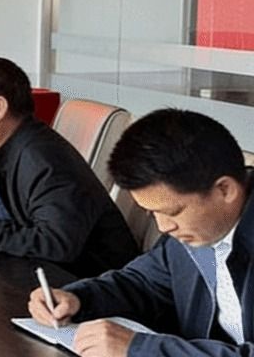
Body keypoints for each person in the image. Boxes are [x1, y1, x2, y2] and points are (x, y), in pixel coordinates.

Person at [28, 109, 254, 357]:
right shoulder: (193, 232)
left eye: (174, 211)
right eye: (152, 213)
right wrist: (77, 298)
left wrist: (140, 349)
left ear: (224, 190)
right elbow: (141, 283)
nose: (163, 227)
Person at [0, 56, 138, 277]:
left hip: (89, 285)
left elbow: (56, 243)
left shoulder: (44, 159)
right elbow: (0, 206)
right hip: (39, 276)